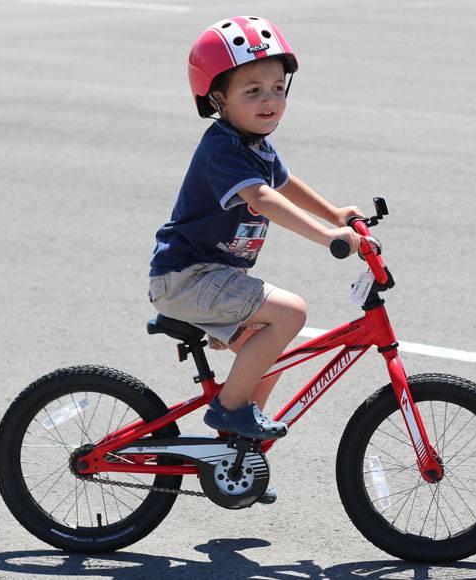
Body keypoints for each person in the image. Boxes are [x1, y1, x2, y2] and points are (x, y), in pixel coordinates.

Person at [148, 16, 364, 452]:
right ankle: (229, 410)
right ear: (217, 98)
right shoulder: (222, 149)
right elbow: (263, 198)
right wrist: (327, 237)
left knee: (271, 354)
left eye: (278, 88)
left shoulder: (255, 144)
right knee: (292, 313)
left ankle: (238, 456)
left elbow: (284, 182)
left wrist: (336, 214)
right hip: (188, 277)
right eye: (252, 91)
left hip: (209, 277)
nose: (270, 100)